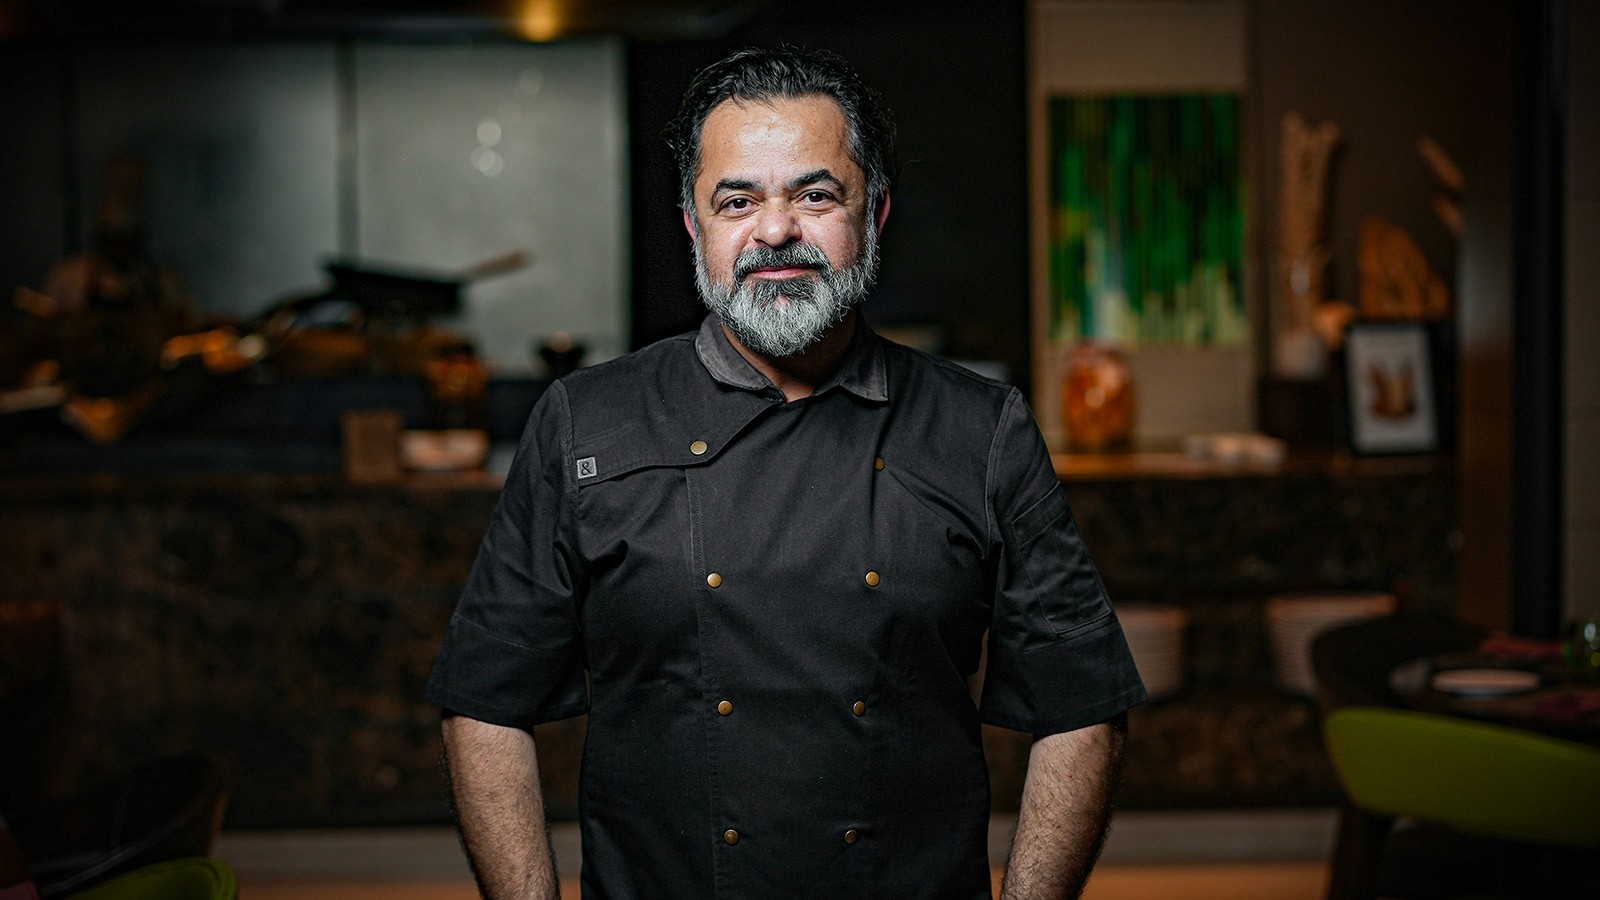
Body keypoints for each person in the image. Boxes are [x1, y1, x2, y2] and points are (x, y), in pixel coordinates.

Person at [427, 46, 1146, 900]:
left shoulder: (981, 429)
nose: (775, 231)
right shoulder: (586, 420)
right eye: (738, 200)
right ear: (695, 227)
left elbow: (1080, 705)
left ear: (872, 216)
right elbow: (485, 701)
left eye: (814, 195)